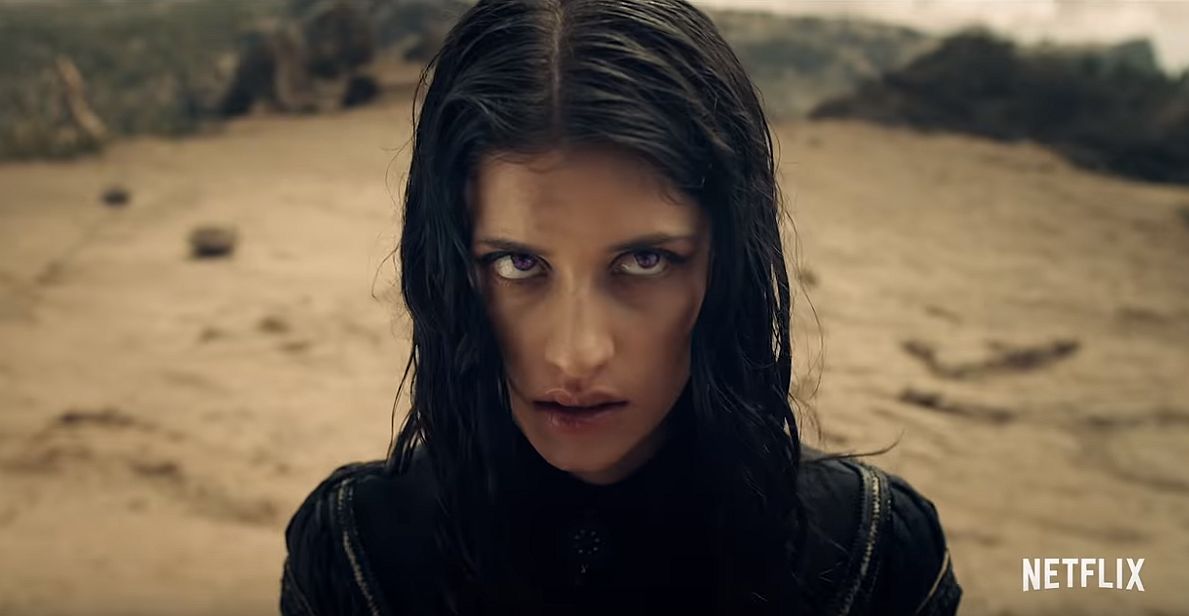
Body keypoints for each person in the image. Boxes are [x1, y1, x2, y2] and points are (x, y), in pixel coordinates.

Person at [279, 0, 962, 614]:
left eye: (645, 261)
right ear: (450, 271)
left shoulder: (864, 555)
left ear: (727, 265)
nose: (576, 355)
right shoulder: (360, 555)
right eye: (517, 263)